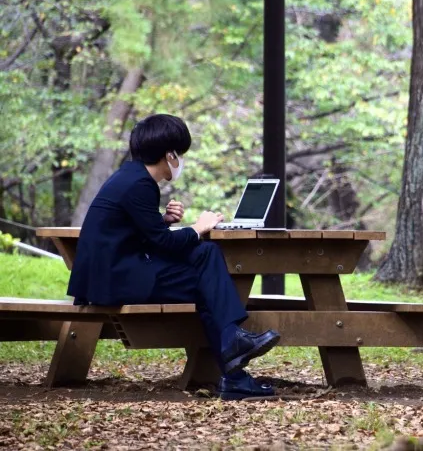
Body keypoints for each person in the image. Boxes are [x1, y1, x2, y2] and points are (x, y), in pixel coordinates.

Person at [68, 114, 280, 400]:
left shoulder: (129, 176)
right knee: (207, 269)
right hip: (115, 282)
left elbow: (143, 233)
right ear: (170, 155)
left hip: (112, 274)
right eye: (180, 154)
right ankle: (234, 359)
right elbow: (164, 244)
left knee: (205, 263)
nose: (180, 160)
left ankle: (235, 367)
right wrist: (198, 227)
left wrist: (163, 220)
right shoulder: (140, 184)